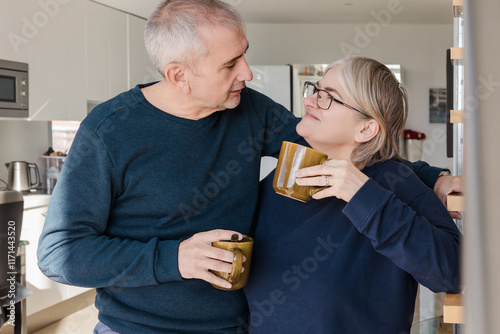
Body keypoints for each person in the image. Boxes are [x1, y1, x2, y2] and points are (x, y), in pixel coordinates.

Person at [36, 1, 455, 333]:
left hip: (236, 325)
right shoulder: (108, 133)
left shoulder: (248, 109)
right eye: (229, 65)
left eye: (244, 56)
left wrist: (429, 177)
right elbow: (60, 253)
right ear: (180, 76)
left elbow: (347, 148)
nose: (247, 73)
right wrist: (174, 259)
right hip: (140, 328)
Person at [243, 56, 462, 334]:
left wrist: (362, 196)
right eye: (315, 89)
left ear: (366, 129)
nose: (309, 101)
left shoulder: (394, 182)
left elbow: (453, 271)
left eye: (328, 97)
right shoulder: (281, 180)